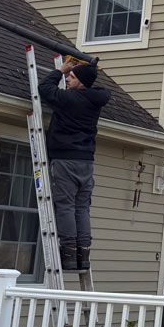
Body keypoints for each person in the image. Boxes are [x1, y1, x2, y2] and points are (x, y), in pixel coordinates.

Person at [38, 57, 110, 271]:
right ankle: (83, 254)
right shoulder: (95, 99)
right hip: (86, 161)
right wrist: (84, 70)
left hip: (66, 160)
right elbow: (95, 85)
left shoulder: (70, 99)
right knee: (82, 207)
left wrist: (60, 69)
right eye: (68, 76)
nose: (68, 80)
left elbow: (45, 88)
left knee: (66, 205)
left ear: (81, 83)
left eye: (72, 77)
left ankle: (68, 253)